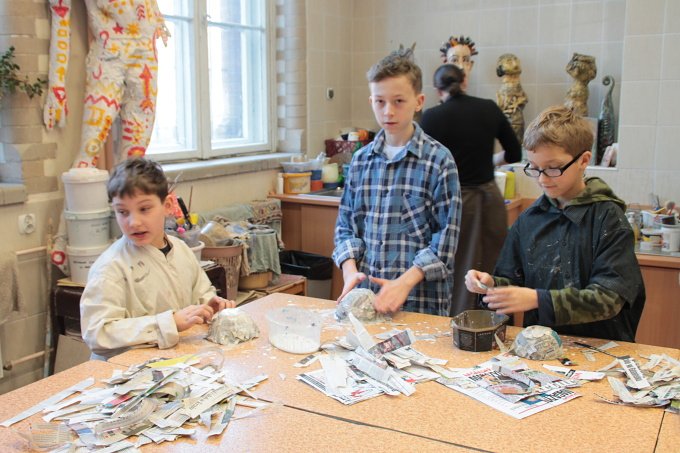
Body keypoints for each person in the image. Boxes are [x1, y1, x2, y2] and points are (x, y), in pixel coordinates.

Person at [465, 106, 645, 342]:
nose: (542, 179)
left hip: (602, 347)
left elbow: (609, 299)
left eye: (553, 168)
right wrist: (491, 285)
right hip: (541, 347)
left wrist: (537, 299)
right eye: (534, 168)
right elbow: (513, 282)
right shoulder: (529, 220)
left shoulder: (608, 219)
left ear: (583, 160)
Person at [333, 45, 461, 317]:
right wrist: (350, 271)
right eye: (380, 101)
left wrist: (404, 283)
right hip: (368, 300)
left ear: (419, 101)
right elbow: (345, 226)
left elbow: (446, 241)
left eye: (399, 101)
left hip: (420, 302)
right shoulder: (361, 160)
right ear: (371, 101)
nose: (388, 111)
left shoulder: (439, 161)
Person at [80, 158, 235, 360]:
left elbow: (200, 293)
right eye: (122, 212)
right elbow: (97, 333)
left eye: (144, 209)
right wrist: (168, 323)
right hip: (125, 370)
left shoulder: (181, 250)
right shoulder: (110, 267)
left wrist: (208, 307)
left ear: (168, 205)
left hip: (173, 361)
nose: (134, 222)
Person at [420, 64, 521, 317]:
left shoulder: (431, 117)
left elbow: (424, 167)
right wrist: (491, 161)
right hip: (490, 201)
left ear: (437, 90)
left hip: (453, 204)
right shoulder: (488, 108)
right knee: (494, 267)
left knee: (457, 269)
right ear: (464, 81)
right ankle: (497, 323)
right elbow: (515, 152)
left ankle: (457, 323)